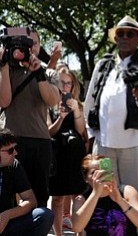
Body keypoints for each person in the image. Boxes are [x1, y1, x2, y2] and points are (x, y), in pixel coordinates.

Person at [83, 15, 138, 234]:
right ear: (115, 38)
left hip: (137, 146)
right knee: (107, 198)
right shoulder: (103, 64)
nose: (125, 37)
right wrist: (91, 136)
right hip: (105, 148)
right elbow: (90, 102)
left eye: (131, 34)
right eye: (121, 33)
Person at [0, 29, 60, 208]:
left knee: (40, 197)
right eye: (25, 43)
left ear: (39, 46)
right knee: (8, 197)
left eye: (34, 43)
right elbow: (5, 100)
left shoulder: (48, 73)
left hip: (39, 143)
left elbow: (52, 100)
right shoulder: (7, 71)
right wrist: (3, 65)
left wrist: (38, 73)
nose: (30, 48)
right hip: (10, 143)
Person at [48, 68, 88, 236]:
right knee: (57, 198)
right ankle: (59, 234)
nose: (65, 86)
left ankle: (80, 231)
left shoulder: (78, 105)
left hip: (75, 154)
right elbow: (49, 131)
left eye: (68, 83)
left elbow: (81, 131)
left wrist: (76, 110)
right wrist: (61, 117)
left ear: (73, 85)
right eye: (61, 82)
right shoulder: (48, 104)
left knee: (78, 196)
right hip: (57, 156)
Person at [71, 154, 138, 235]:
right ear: (86, 178)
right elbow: (77, 228)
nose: (100, 175)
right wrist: (95, 194)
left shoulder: (127, 192)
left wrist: (120, 201)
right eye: (94, 173)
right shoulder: (81, 199)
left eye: (104, 170)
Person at [0, 128, 54, 236]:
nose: (15, 153)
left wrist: (7, 215)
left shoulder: (14, 166)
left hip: (7, 223)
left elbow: (31, 201)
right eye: (10, 150)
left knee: (45, 215)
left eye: (15, 148)